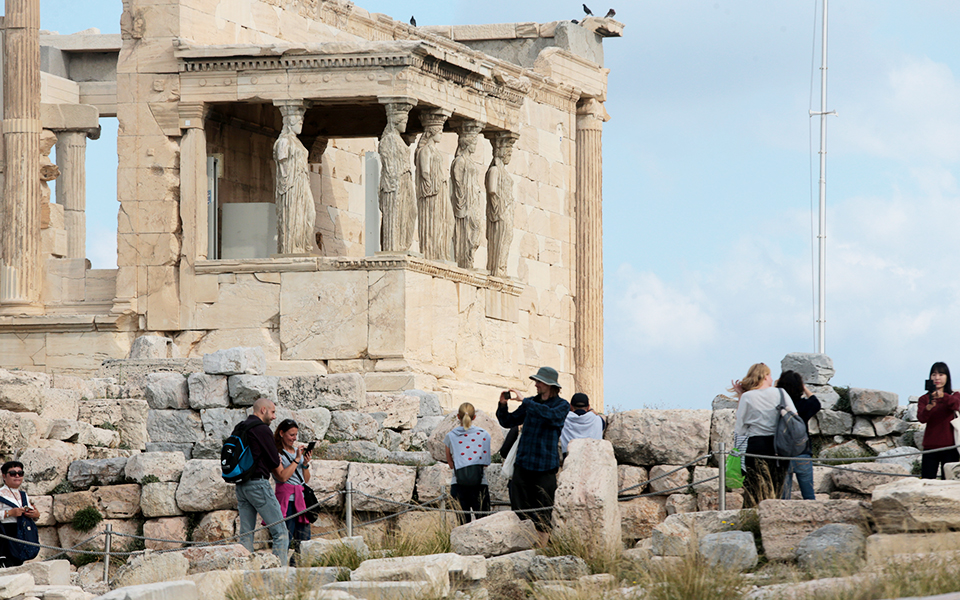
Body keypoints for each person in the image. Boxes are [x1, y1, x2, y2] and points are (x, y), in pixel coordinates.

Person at [496, 366, 570, 545]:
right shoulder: (530, 403)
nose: (535, 384)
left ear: (549, 385)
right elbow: (508, 422)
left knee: (544, 510)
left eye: (539, 381)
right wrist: (502, 405)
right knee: (519, 508)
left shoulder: (562, 405)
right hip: (523, 465)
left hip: (545, 466)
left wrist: (526, 402)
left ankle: (542, 548)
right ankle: (524, 545)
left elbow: (552, 416)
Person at [731, 363, 798, 507]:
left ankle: (751, 517)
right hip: (779, 445)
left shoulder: (747, 396)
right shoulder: (780, 393)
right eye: (770, 374)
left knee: (754, 486)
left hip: (756, 444)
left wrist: (740, 395)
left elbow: (740, 425)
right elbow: (794, 415)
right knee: (777, 485)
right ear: (765, 376)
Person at [234, 398, 288, 561]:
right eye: (272, 412)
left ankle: (244, 573)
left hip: (241, 486)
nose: (274, 417)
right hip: (258, 484)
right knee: (281, 533)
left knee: (246, 535)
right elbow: (273, 461)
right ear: (263, 410)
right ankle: (278, 576)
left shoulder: (240, 427)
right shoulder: (262, 429)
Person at [444, 402, 492, 524]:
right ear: (474, 417)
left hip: (458, 484)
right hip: (479, 484)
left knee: (462, 526)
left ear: (458, 416)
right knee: (483, 524)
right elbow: (486, 462)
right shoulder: (484, 434)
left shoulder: (450, 436)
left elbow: (450, 463)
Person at [776, 371, 821, 500]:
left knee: (784, 497)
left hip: (782, 454)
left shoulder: (778, 406)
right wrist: (805, 387)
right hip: (802, 451)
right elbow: (816, 403)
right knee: (808, 495)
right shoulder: (803, 405)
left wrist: (776, 389)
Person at [272, 418, 312, 563]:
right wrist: (296, 460)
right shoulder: (277, 453)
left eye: (296, 435)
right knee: (285, 537)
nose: (294, 438)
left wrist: (305, 464)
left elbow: (305, 479)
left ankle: (299, 567)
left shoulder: (297, 452)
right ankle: (280, 566)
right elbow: (283, 477)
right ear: (282, 433)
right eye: (291, 435)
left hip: (300, 499)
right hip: (286, 500)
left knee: (304, 539)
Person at [917, 362, 960, 479]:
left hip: (950, 447)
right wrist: (928, 408)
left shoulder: (954, 395)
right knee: (926, 481)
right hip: (930, 447)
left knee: (949, 483)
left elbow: (956, 405)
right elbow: (921, 418)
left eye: (941, 374)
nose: (937, 378)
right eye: (934, 374)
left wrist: (943, 396)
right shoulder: (924, 399)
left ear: (947, 377)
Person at [0, 461, 39, 567]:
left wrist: (34, 514)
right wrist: (10, 513)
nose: (17, 476)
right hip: (5, 534)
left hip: (21, 533)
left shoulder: (23, 494)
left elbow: (34, 513)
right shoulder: (0, 493)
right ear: (4, 475)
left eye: (20, 473)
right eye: (12, 473)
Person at [559, 392, 606, 457]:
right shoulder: (598, 420)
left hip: (569, 457)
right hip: (593, 458)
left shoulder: (563, 419)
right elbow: (603, 422)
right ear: (588, 407)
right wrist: (592, 410)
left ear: (571, 406)